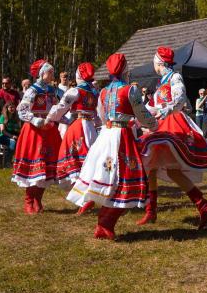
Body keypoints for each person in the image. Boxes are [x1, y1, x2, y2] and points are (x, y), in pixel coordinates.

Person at [67, 53, 159, 240]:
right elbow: (142, 114)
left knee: (109, 176)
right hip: (122, 135)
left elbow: (101, 116)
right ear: (125, 69)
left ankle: (104, 223)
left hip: (106, 135)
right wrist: (154, 125)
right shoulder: (129, 90)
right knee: (125, 177)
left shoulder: (103, 91)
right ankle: (105, 222)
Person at [138, 46, 207, 228]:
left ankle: (202, 205)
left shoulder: (175, 77)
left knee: (166, 168)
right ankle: (152, 210)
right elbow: (155, 105)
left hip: (172, 123)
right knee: (151, 168)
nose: (154, 65)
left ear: (160, 63)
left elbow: (180, 100)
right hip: (161, 123)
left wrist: (163, 110)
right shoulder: (161, 82)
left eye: (155, 62)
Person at [48, 62, 99, 214]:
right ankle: (88, 197)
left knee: (76, 161)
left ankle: (85, 199)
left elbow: (61, 107)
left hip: (78, 127)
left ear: (79, 75)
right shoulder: (94, 92)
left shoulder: (75, 91)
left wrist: (51, 117)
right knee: (90, 160)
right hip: (91, 128)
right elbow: (98, 114)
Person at [12, 59, 61, 214]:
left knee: (46, 167)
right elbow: (22, 110)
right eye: (50, 72)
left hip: (49, 130)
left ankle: (38, 199)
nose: (53, 74)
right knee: (34, 167)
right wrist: (34, 119)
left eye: (53, 72)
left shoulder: (53, 90)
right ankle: (28, 200)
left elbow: (58, 107)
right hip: (35, 130)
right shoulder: (32, 90)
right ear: (42, 73)